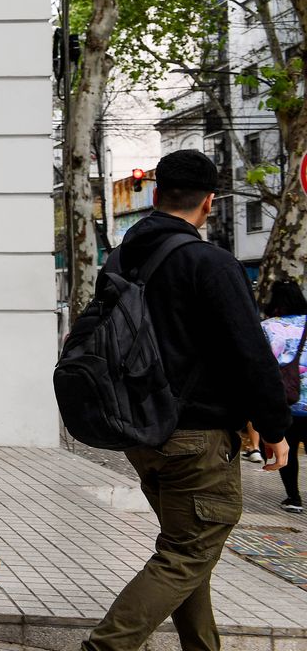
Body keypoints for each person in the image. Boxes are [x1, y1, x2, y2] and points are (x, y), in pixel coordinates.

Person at [82, 149, 290, 651]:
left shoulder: (121, 259)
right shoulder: (210, 263)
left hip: (140, 432)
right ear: (209, 203)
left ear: (156, 195)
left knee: (187, 549)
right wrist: (274, 426)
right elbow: (249, 352)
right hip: (196, 437)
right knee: (187, 553)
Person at [261, 280, 307, 514]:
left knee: (287, 447)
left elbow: (260, 365)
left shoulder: (268, 327)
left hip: (285, 401)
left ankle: (294, 498)